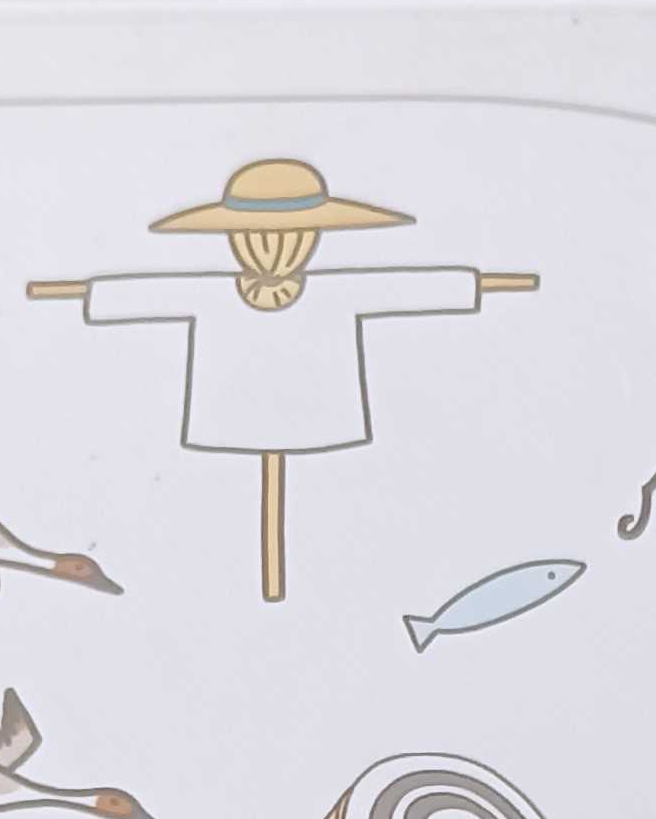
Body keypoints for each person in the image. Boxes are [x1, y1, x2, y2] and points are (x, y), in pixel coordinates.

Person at [29, 157, 537, 600]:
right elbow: (141, 294)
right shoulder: (211, 292)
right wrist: (70, 291)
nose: (272, 249)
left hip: (317, 413)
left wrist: (489, 284)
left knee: (335, 515)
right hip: (233, 413)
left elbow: (413, 287)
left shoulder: (337, 291)